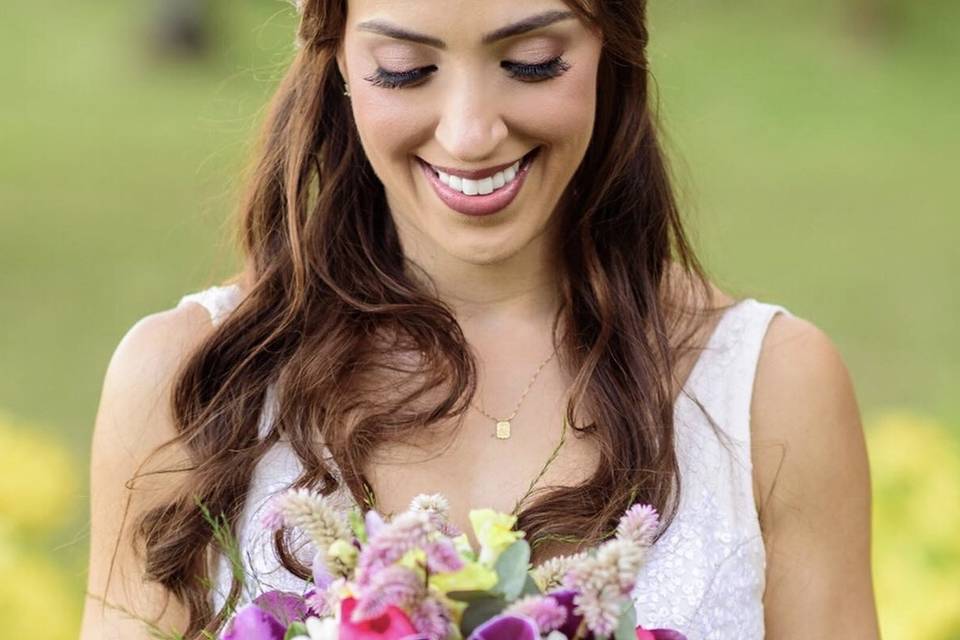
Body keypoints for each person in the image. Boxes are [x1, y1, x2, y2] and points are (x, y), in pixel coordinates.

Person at [80, 1, 881, 638]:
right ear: (338, 61)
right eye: (406, 69)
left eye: (531, 62)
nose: (470, 134)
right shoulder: (188, 381)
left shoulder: (772, 388)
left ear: (612, 42)